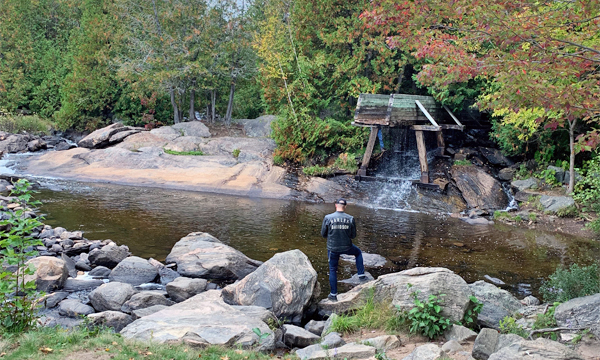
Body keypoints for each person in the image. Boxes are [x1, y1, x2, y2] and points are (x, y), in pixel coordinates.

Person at [321, 198, 366, 301]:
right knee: (358, 252)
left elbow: (323, 234)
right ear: (345, 207)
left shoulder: (328, 218)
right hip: (347, 247)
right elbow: (353, 235)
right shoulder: (350, 218)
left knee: (332, 269)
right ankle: (361, 275)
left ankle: (333, 295)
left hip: (333, 248)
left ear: (335, 205)